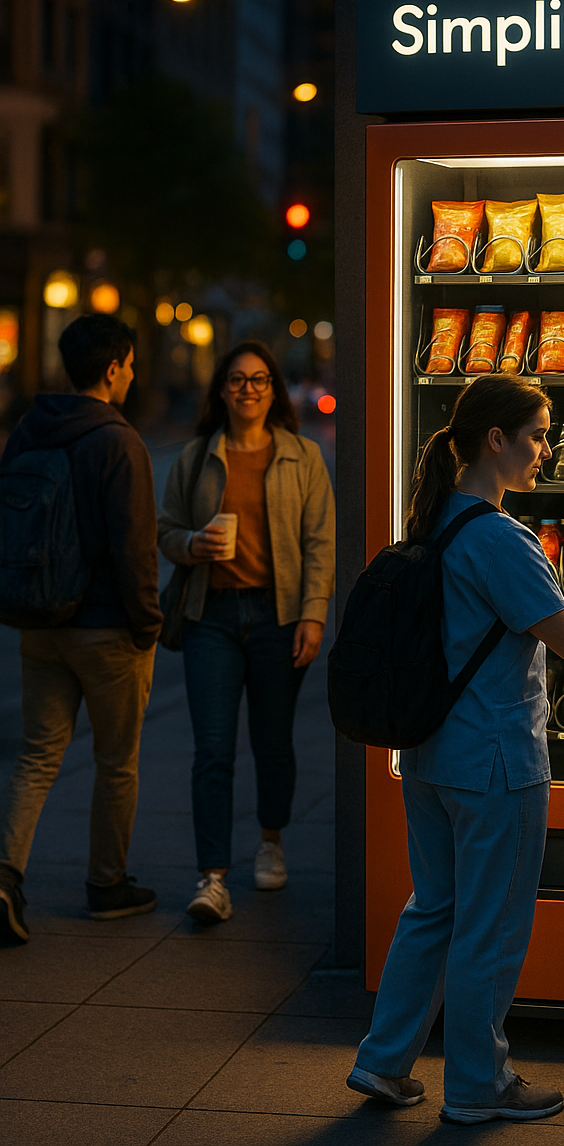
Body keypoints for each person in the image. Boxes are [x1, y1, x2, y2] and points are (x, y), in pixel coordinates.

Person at [346, 373, 564, 1124]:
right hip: (495, 760)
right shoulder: (501, 538)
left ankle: (382, 1061)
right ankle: (478, 1085)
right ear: (494, 440)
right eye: (536, 435)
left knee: (433, 908)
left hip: (430, 754)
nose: (545, 449)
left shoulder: (431, 519)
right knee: (491, 927)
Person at [158, 340, 335, 924]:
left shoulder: (302, 455)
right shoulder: (197, 457)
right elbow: (166, 530)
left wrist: (313, 614)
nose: (248, 389)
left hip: (278, 616)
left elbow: (319, 543)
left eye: (260, 380)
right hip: (211, 615)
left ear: (274, 390)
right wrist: (191, 545)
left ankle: (270, 840)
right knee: (211, 749)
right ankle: (212, 877)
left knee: (273, 741)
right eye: (237, 380)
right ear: (222, 391)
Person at [0, 314, 162, 943]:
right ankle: (106, 883)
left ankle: (7, 878)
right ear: (115, 366)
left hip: (39, 621)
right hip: (106, 631)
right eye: (130, 363)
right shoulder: (117, 441)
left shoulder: (28, 431)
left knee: (36, 757)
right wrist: (147, 624)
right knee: (117, 760)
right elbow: (135, 550)